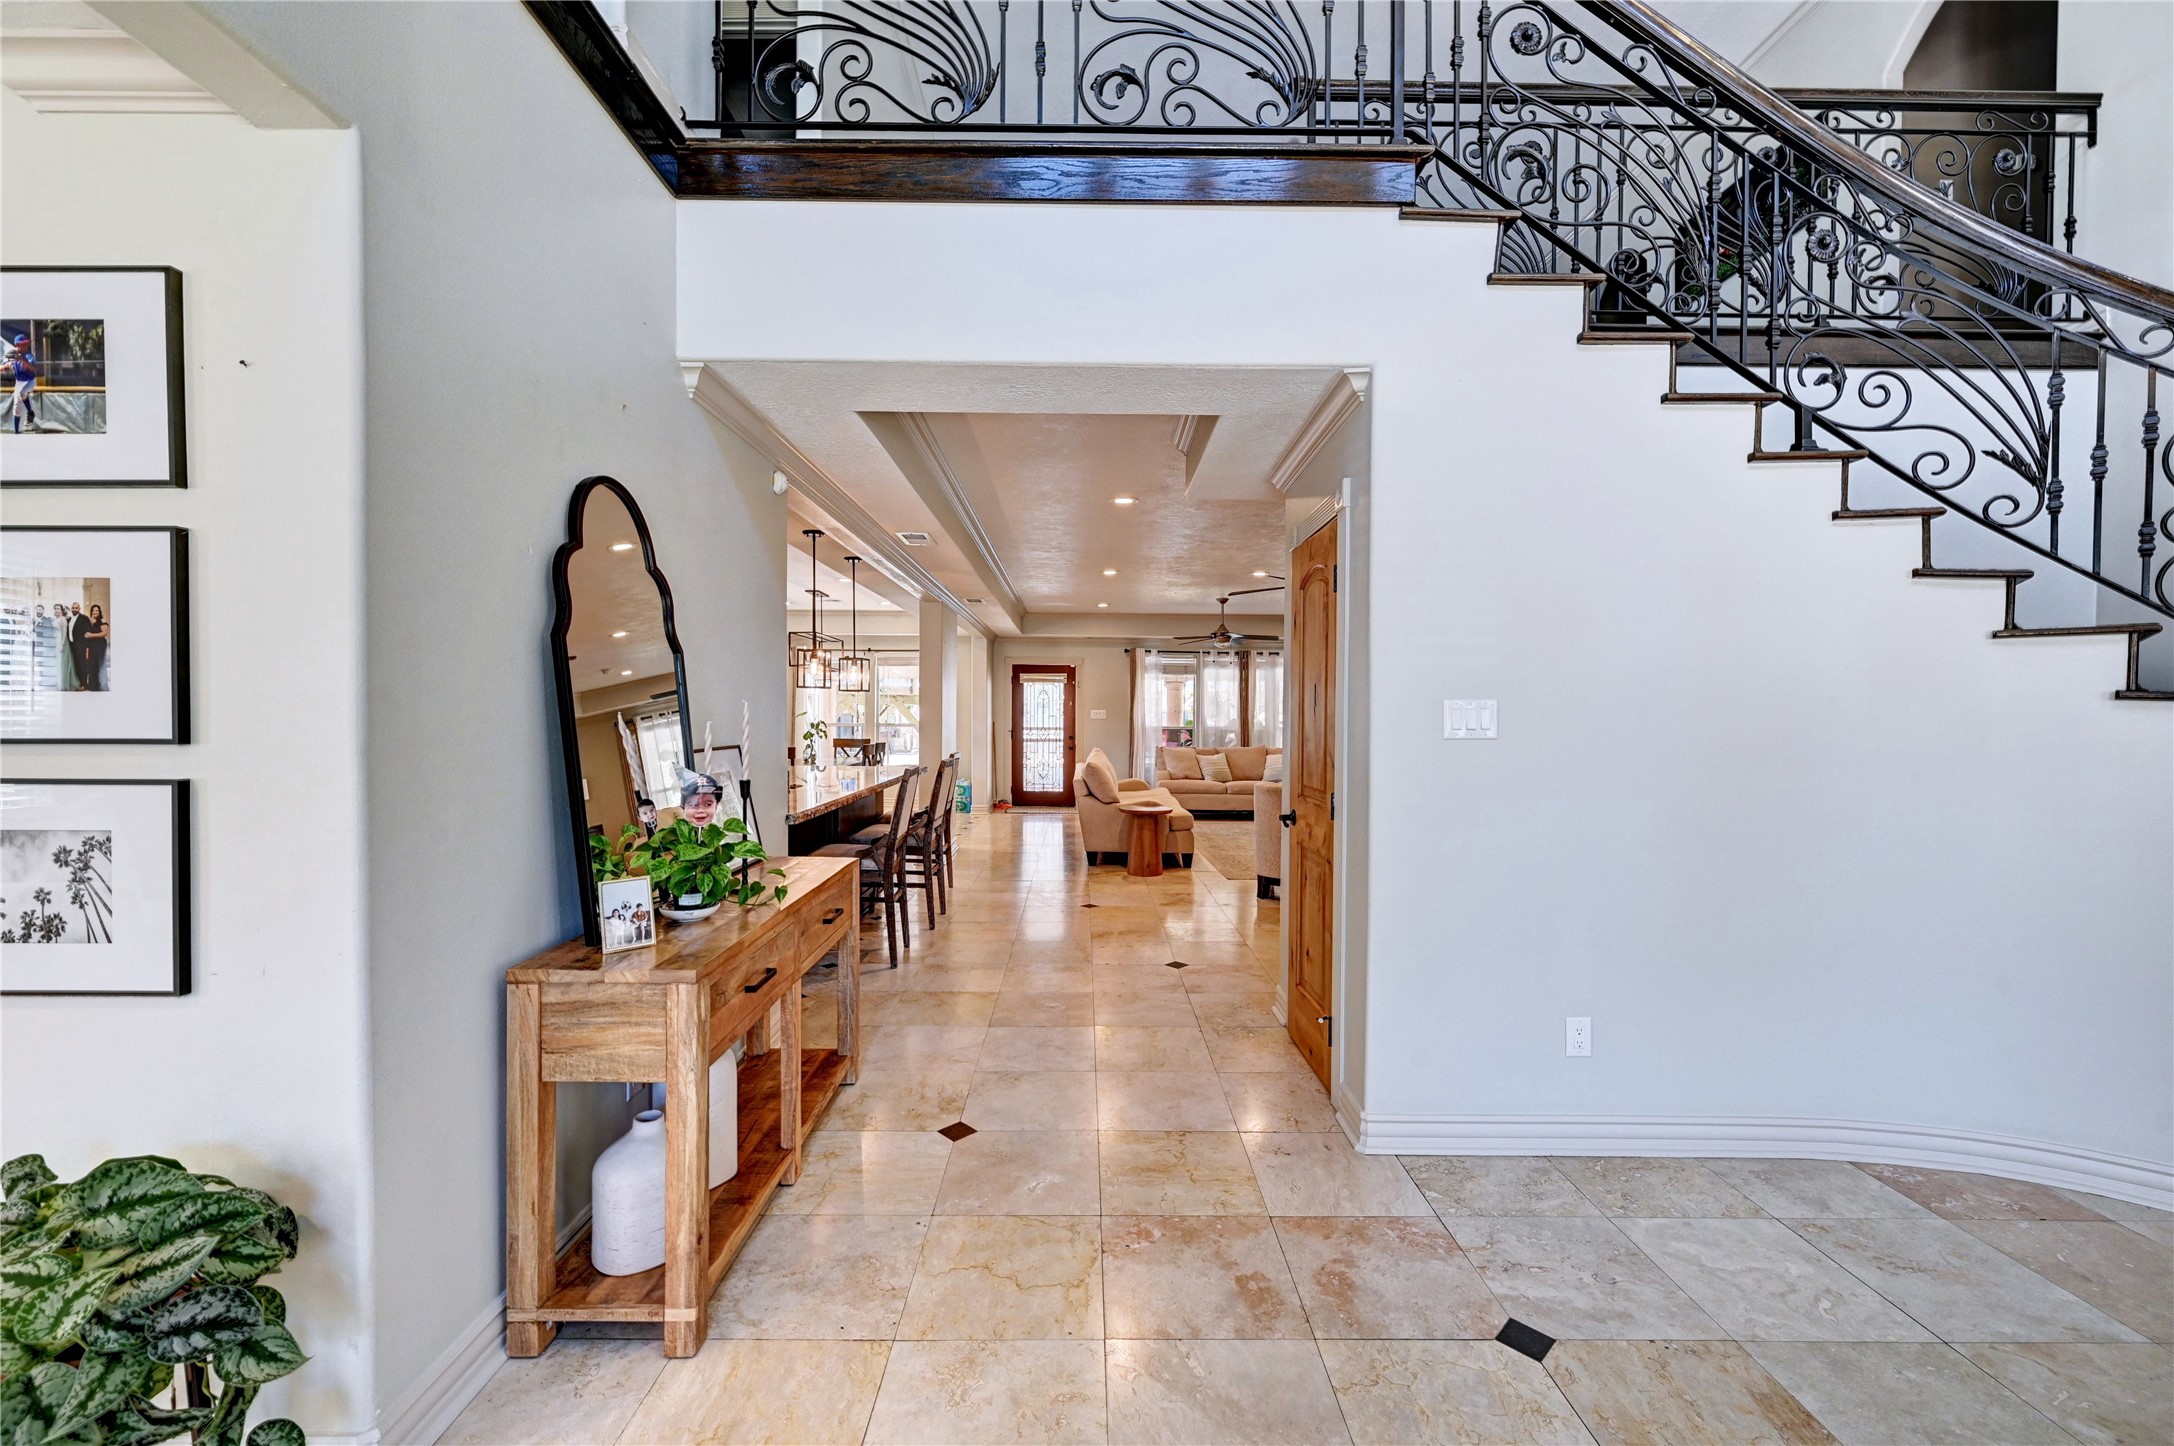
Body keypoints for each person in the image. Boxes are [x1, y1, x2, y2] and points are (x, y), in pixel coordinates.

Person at [7, 334, 37, 434]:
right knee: (16, 410)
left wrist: (23, 361)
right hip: (19, 383)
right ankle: (16, 433)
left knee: (23, 393)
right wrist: (7, 365)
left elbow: (34, 369)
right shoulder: (13, 358)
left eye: (26, 344)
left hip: (30, 381)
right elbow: (6, 366)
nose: (25, 346)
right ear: (17, 346)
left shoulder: (29, 356)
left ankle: (29, 412)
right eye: (22, 344)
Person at [30, 605, 59, 692]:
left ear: (43, 611)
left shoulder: (46, 621)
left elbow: (48, 634)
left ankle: (45, 683)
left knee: (44, 665)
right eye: (37, 610)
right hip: (37, 647)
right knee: (39, 665)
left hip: (44, 647)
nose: (38, 612)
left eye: (40, 610)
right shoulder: (35, 621)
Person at [82, 605, 109, 692]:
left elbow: (105, 633)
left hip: (100, 645)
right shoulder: (90, 620)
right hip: (92, 645)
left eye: (97, 610)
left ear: (99, 611)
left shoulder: (102, 620)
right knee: (91, 664)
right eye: (93, 610)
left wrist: (91, 635)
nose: (95, 612)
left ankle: (102, 686)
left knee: (100, 664)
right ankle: (92, 686)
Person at [59, 604, 82, 692]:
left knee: (70, 664)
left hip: (71, 644)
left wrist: (62, 643)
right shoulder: (67, 619)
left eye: (76, 608)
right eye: (73, 608)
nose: (74, 609)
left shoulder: (83, 618)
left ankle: (71, 683)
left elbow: (64, 632)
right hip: (65, 643)